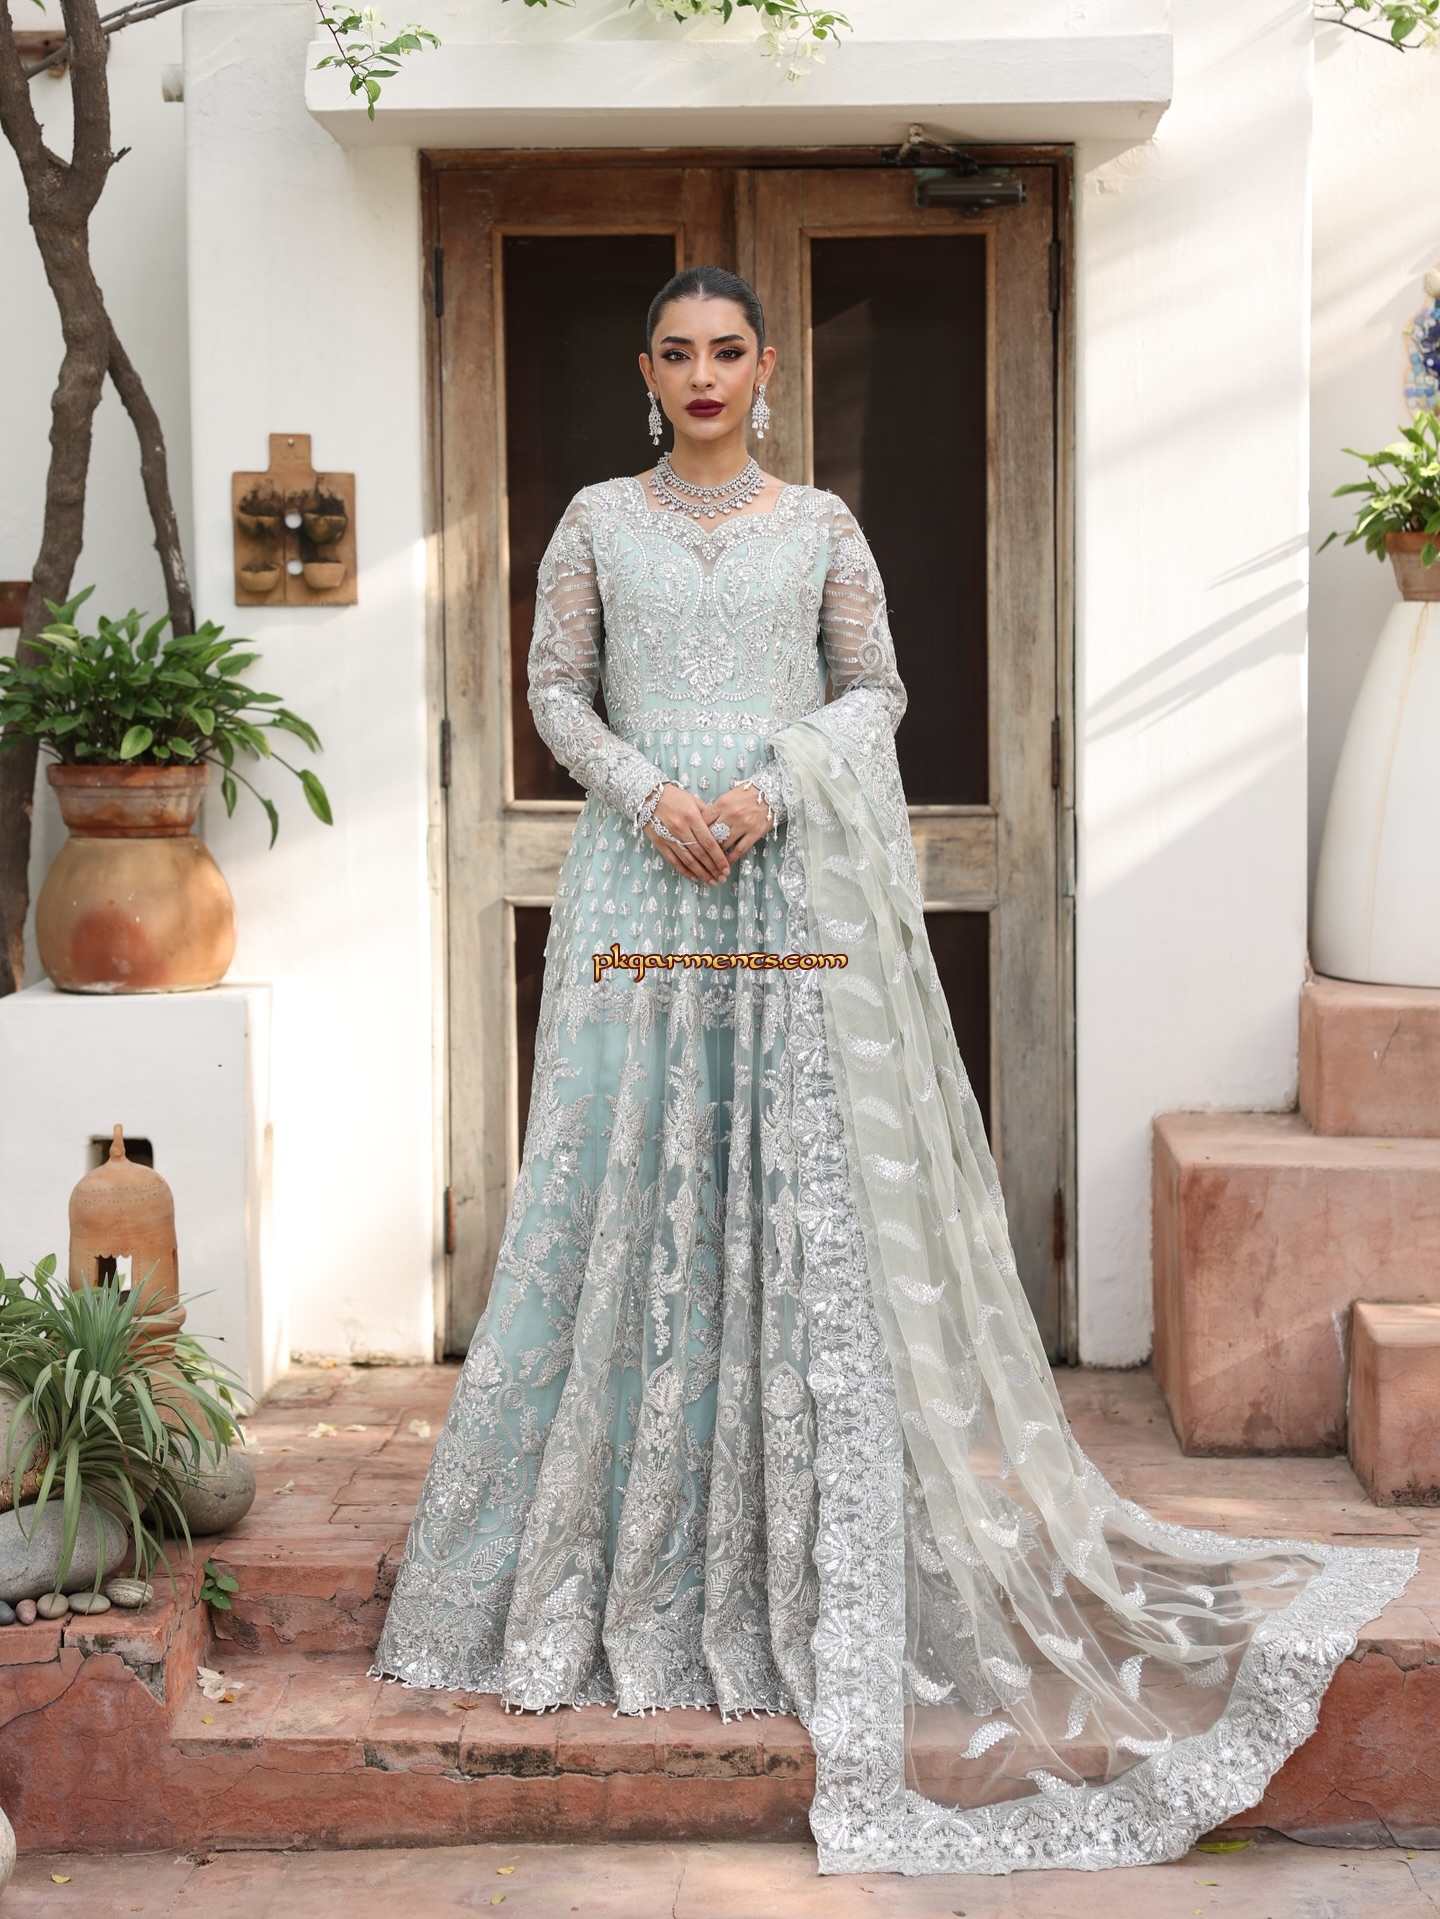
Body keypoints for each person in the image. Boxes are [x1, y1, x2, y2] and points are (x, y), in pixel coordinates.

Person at [373, 266, 1415, 1875]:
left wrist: (771, 793)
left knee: (795, 1196)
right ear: (644, 370)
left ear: (765, 368)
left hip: (784, 889)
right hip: (644, 889)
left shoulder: (820, 528)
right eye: (678, 353)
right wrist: (651, 793)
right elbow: (553, 692)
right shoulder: (594, 521)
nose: (704, 375)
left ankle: (807, 1546)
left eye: (730, 351)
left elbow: (876, 695)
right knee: (631, 1174)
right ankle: (625, 1546)